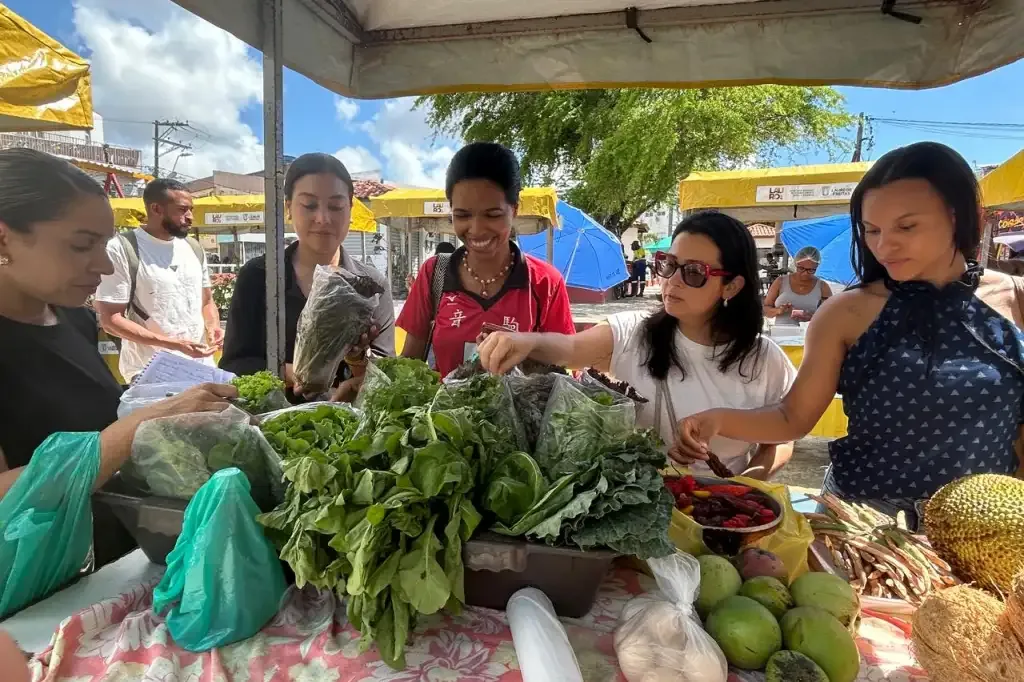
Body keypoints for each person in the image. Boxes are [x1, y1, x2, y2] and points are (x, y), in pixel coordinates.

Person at [674, 142, 1024, 527]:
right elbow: (793, 416)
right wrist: (718, 419)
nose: (884, 245)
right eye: (871, 230)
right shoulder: (845, 312)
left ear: (962, 217)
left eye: (907, 226)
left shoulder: (1016, 301)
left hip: (985, 529)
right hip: (865, 524)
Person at [0, 148, 236, 559]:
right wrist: (143, 424)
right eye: (81, 246)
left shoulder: (70, 317)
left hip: (110, 556)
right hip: (32, 592)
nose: (105, 268)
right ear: (4, 238)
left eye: (105, 246)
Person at [478, 211, 798, 479]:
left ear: (732, 285)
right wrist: (525, 340)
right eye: (668, 263)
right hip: (634, 505)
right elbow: (569, 349)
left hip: (720, 516)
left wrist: (743, 486)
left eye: (694, 272)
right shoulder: (634, 332)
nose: (672, 279)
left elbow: (781, 440)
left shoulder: (764, 360)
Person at [220, 153, 395, 402]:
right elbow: (234, 363)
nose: (323, 218)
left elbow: (386, 372)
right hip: (270, 425)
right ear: (289, 208)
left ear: (350, 208)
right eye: (309, 205)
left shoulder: (372, 285)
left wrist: (357, 364)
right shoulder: (259, 277)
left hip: (348, 429)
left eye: (335, 206)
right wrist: (291, 373)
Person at [397, 142, 575, 378]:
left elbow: (566, 361)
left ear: (515, 210)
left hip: (521, 413)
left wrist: (529, 345)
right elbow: (409, 366)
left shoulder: (545, 282)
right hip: (441, 415)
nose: (477, 229)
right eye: (462, 215)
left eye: (492, 215)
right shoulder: (434, 274)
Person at [94, 179, 222, 383]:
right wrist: (173, 344)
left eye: (191, 210)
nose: (190, 217)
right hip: (149, 371)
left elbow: (206, 301)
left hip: (200, 369)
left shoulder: (193, 248)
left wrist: (213, 326)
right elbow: (110, 319)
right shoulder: (122, 248)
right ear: (156, 209)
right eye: (182, 210)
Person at [763, 246, 832, 325]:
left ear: (817, 267)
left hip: (810, 334)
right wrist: (778, 310)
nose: (805, 273)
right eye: (801, 268)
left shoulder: (823, 287)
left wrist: (810, 318)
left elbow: (829, 316)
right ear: (796, 264)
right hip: (780, 334)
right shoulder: (780, 281)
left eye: (811, 270)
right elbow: (765, 310)